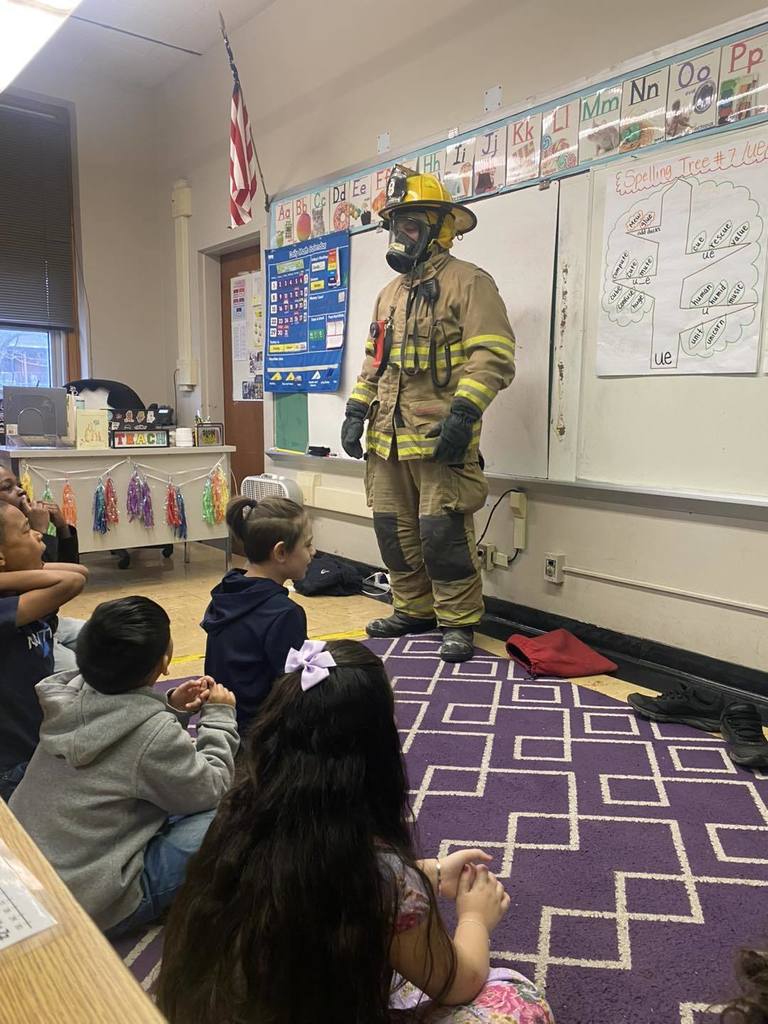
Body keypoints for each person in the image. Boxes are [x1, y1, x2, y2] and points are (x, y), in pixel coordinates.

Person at [156, 640, 553, 1024]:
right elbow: (458, 983)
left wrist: (426, 873)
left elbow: (323, 879)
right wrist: (474, 918)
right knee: (515, 998)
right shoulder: (386, 878)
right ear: (374, 750)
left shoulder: (238, 811)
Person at [340, 166, 516, 663]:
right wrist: (356, 411)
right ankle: (412, 609)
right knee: (392, 531)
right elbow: (374, 362)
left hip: (441, 437)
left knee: (443, 536)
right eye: (396, 226)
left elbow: (493, 356)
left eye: (412, 225)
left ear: (439, 227)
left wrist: (463, 414)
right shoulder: (388, 295)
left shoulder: (470, 283)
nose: (401, 235)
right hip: (387, 437)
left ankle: (458, 621)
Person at [10, 596, 239, 935]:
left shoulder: (69, 693)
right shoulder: (154, 736)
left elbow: (126, 731)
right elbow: (212, 787)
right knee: (228, 815)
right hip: (91, 902)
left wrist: (169, 706)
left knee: (166, 787)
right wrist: (219, 718)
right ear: (164, 661)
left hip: (29, 875)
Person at [202, 494, 313, 736]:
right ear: (281, 552)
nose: (312, 552)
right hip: (262, 735)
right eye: (307, 545)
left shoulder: (225, 592)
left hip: (219, 723)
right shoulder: (285, 614)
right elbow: (298, 685)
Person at [0, 502, 85, 801]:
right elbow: (72, 581)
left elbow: (79, 570)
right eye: (27, 531)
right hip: (11, 763)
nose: (39, 536)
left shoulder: (18, 592)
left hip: (37, 743)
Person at [0, 462, 85, 670]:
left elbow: (70, 569)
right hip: (28, 635)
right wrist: (40, 529)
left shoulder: (17, 533)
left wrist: (62, 528)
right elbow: (54, 585)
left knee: (111, 635)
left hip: (46, 624)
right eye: (6, 487)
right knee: (81, 674)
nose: (20, 491)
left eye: (18, 484)